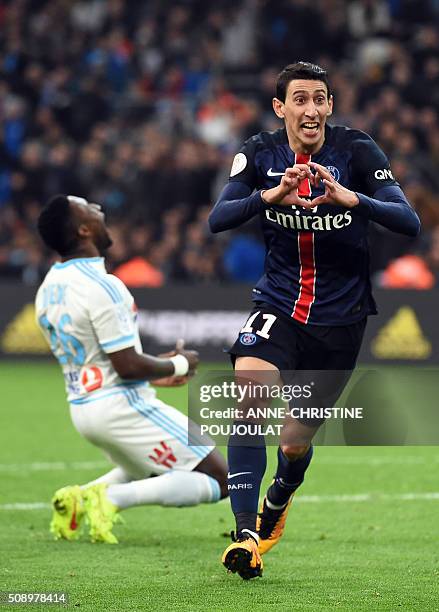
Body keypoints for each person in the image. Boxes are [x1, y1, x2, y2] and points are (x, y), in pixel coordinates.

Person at [208, 61, 420, 579]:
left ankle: (278, 498)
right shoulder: (259, 153)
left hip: (341, 319)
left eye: (319, 98)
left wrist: (356, 200)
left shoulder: (357, 151)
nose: (311, 109)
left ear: (329, 106)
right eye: (299, 99)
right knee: (249, 390)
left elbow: (409, 220)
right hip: (276, 303)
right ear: (281, 108)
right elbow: (219, 218)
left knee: (295, 443)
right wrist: (268, 197)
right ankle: (245, 534)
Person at [35, 194, 227, 544]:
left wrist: (157, 371)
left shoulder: (49, 289)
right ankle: (109, 499)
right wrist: (181, 362)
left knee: (144, 466)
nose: (100, 210)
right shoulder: (103, 286)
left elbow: (104, 359)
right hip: (121, 406)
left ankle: (80, 498)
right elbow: (126, 366)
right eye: (90, 209)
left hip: (84, 408)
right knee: (222, 477)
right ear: (84, 230)